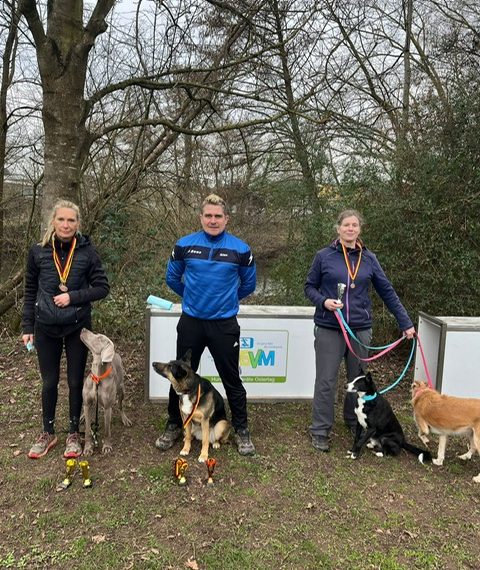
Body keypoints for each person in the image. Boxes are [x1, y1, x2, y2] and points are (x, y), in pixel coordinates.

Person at [304, 209, 415, 452]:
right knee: (326, 380)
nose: (350, 229)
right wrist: (323, 301)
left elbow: (387, 291)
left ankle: (354, 421)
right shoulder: (323, 256)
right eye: (346, 225)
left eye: (354, 225)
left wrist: (405, 322)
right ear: (338, 228)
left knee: (358, 381)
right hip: (330, 327)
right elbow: (309, 287)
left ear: (359, 229)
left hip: (360, 330)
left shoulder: (369, 259)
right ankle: (321, 430)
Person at [155, 193, 257, 456]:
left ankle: (242, 428)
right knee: (179, 377)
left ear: (227, 219)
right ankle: (174, 424)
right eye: (208, 216)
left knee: (231, 378)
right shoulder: (184, 245)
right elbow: (172, 278)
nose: (213, 220)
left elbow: (248, 284)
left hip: (224, 325)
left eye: (218, 216)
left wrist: (225, 301)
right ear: (201, 217)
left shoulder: (241, 249)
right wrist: (193, 298)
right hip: (192, 323)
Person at [22, 200, 109, 459]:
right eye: (61, 219)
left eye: (71, 220)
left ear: (78, 224)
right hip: (45, 326)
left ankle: (73, 432)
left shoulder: (87, 252)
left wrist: (73, 297)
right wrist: (28, 326)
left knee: (74, 382)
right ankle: (48, 432)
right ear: (53, 222)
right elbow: (29, 291)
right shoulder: (38, 252)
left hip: (77, 327)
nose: (66, 225)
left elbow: (102, 287)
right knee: (49, 381)